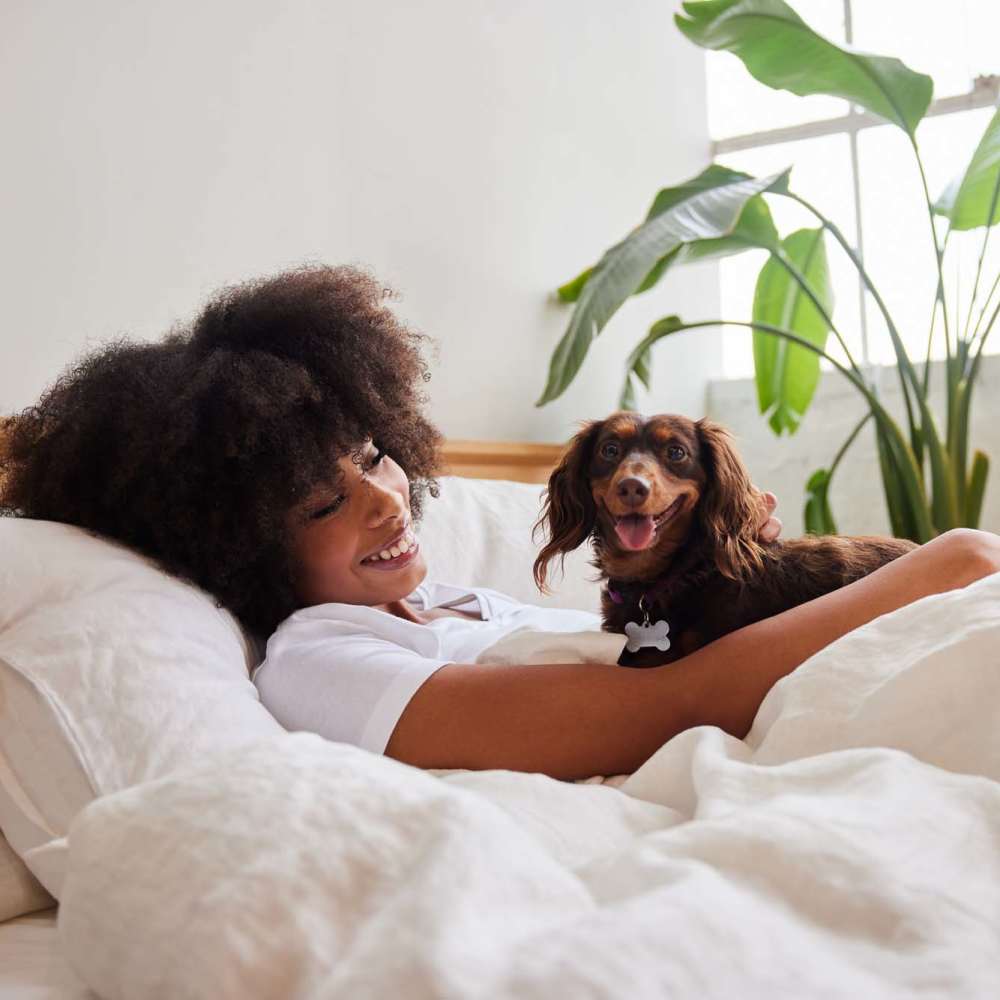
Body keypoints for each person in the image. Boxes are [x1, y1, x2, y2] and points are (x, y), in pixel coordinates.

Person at [3, 265, 998, 782]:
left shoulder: (449, 604)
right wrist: (927, 567)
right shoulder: (321, 657)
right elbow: (660, 709)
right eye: (321, 498)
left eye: (375, 455)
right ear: (235, 542)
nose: (388, 497)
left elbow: (647, 652)